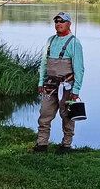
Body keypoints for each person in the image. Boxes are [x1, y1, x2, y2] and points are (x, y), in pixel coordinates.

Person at [33, 11, 85, 154]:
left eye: (62, 21)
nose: (58, 24)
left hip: (67, 87)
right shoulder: (50, 40)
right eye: (56, 21)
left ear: (69, 24)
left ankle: (66, 145)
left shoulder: (74, 43)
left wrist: (76, 91)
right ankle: (41, 144)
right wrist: (40, 81)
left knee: (67, 116)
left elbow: (79, 69)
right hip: (49, 85)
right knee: (44, 115)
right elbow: (44, 63)